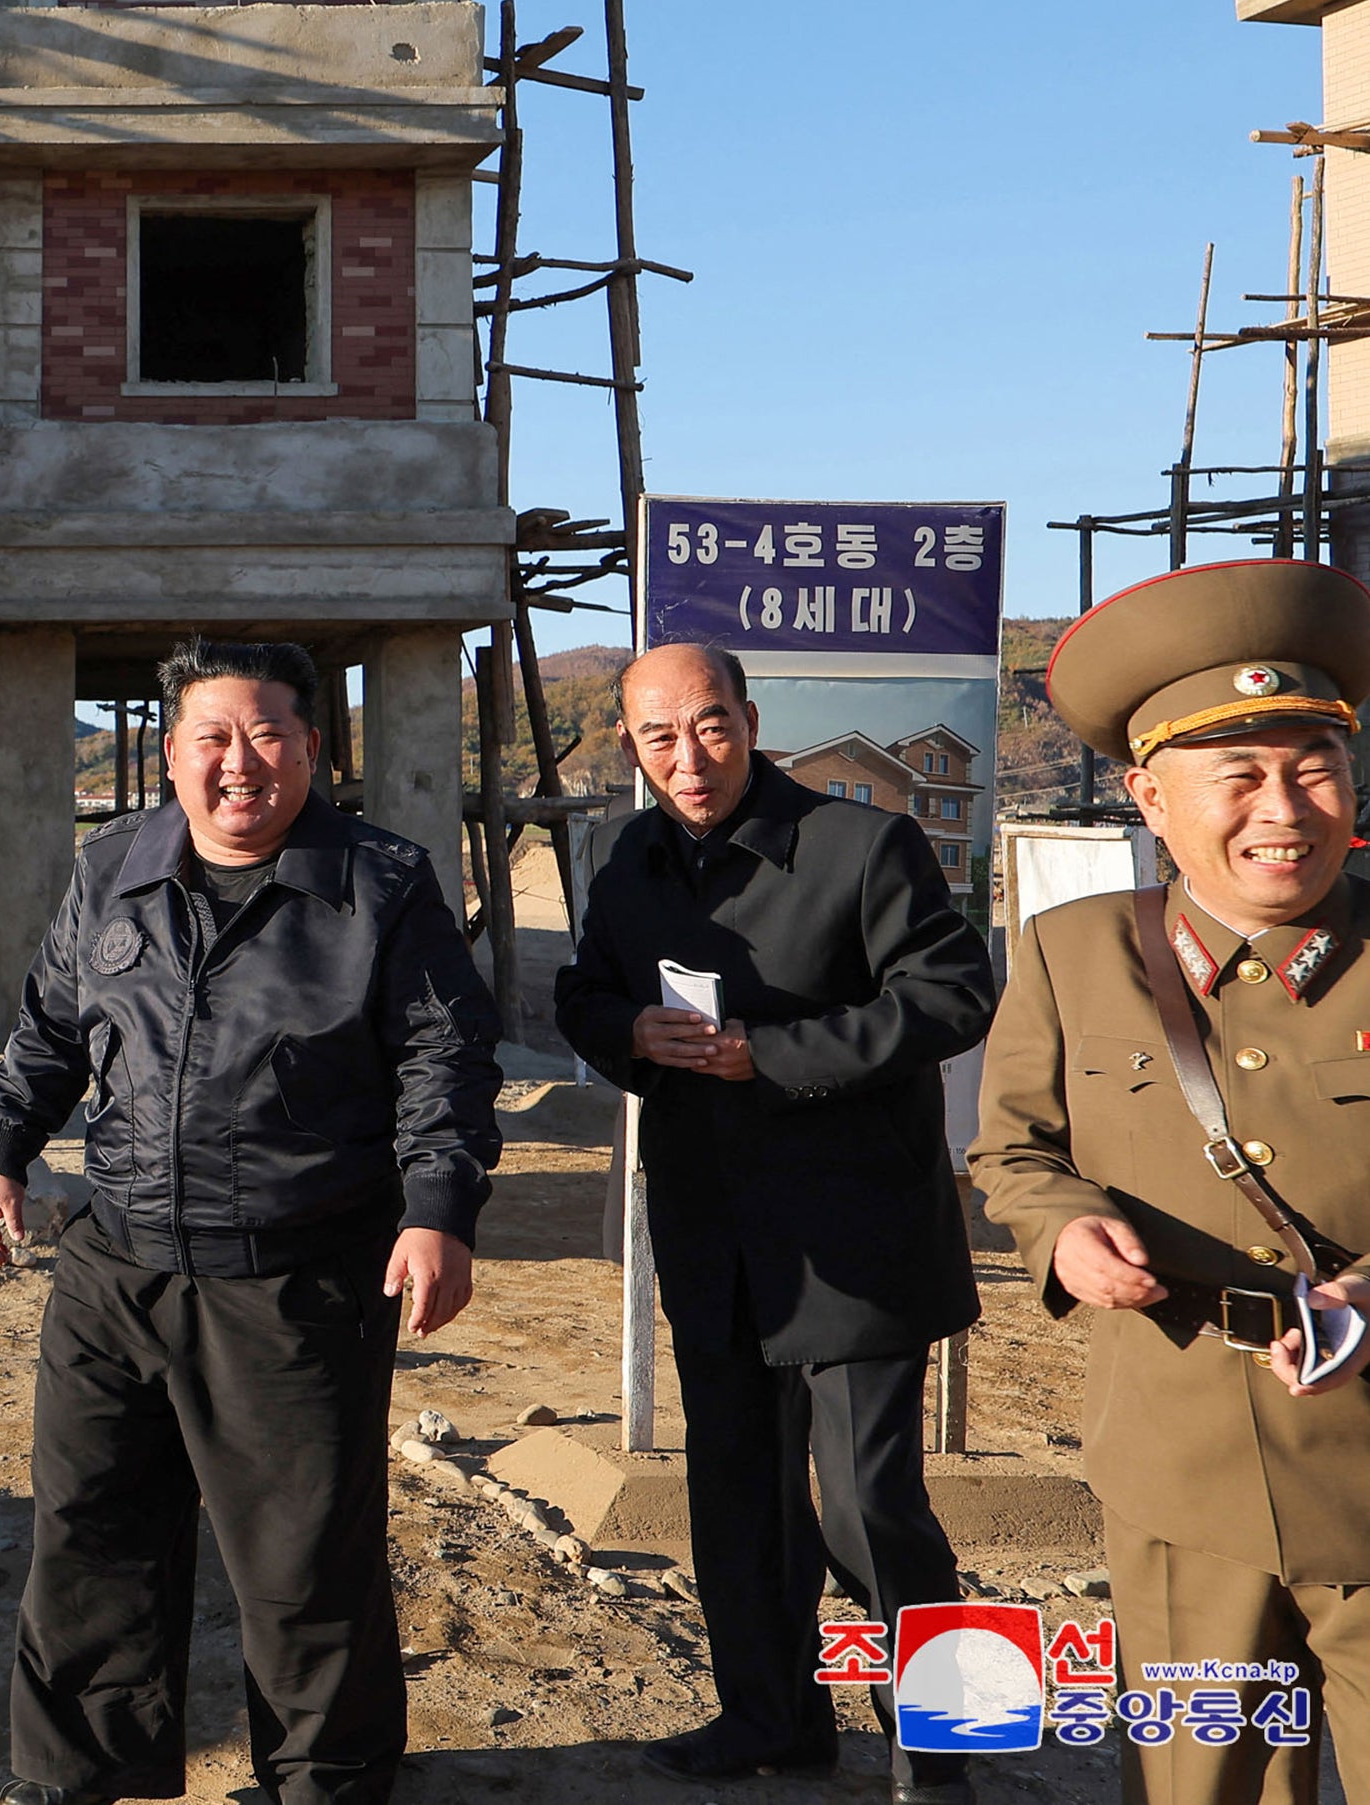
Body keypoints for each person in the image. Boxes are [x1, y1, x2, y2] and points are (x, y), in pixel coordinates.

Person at [0, 636, 502, 1805]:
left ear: (312, 748)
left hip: (295, 1269)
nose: (240, 762)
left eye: (268, 735)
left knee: (304, 1556)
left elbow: (445, 1058)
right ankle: (78, 1763)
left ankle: (328, 1781)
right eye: (213, 737)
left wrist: (438, 1209)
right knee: (90, 1522)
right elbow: (55, 1026)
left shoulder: (382, 883)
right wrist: (2, 1150)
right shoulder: (110, 866)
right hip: (117, 1265)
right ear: (171, 755)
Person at [554, 643, 998, 1803]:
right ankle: (769, 1716)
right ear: (631, 747)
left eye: (710, 726)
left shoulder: (862, 842)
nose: (688, 758)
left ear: (751, 721)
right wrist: (629, 1035)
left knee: (869, 1504)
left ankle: (943, 1734)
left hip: (855, 1231)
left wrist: (775, 1053)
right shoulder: (628, 857)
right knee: (739, 1494)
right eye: (658, 736)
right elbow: (584, 989)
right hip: (716, 1234)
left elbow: (952, 992)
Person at [969, 559, 1370, 1805]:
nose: (1284, 809)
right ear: (1149, 794)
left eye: (1313, 768)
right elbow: (1013, 1149)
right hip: (1181, 1454)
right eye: (1239, 776)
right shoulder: (1073, 952)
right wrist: (1067, 1226)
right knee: (1207, 1782)